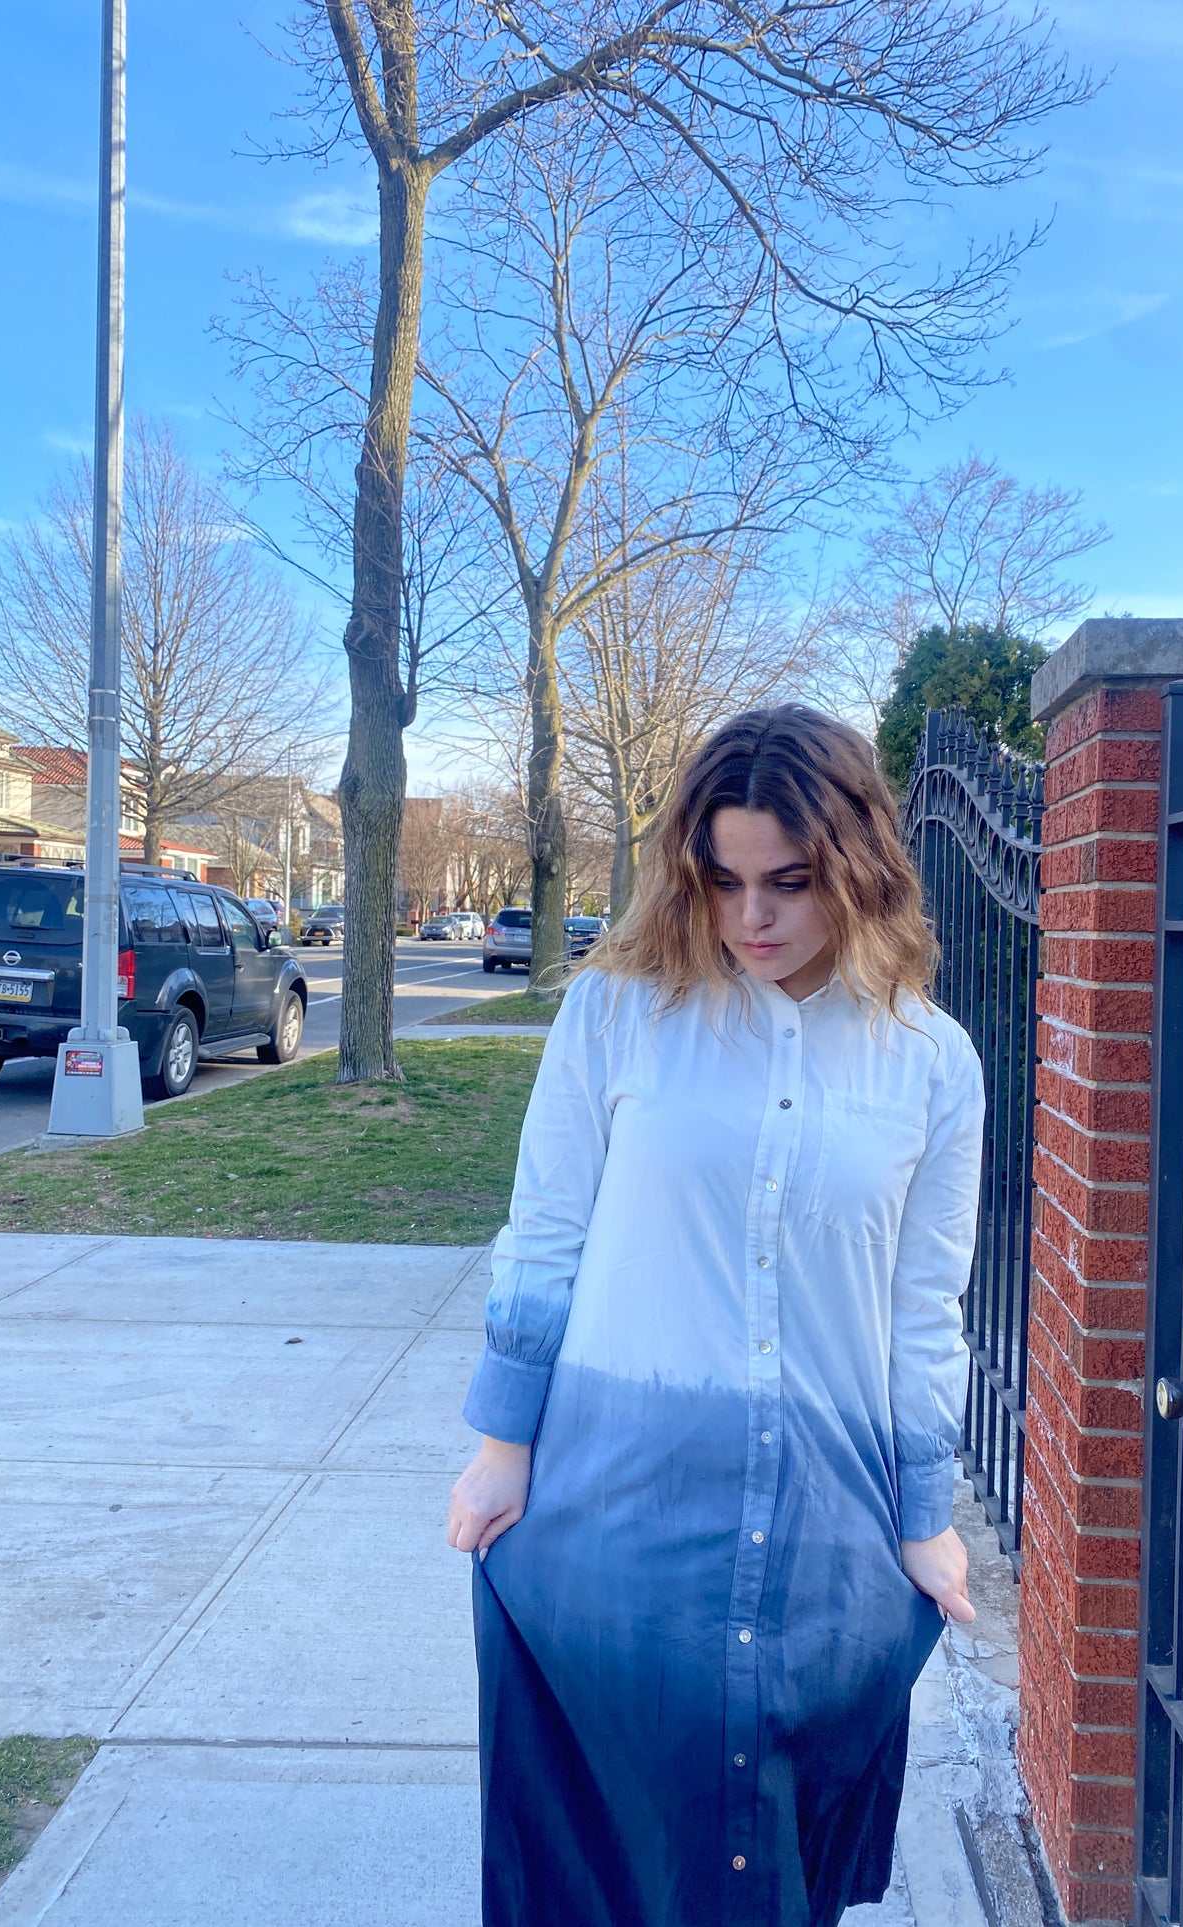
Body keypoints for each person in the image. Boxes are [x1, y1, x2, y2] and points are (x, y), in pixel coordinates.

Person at [447, 705, 985, 1927]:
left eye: (789, 883)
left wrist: (922, 1518)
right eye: (724, 879)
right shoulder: (616, 1013)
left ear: (857, 868)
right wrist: (500, 1444)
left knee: (773, 1871)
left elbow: (920, 1307)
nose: (752, 917)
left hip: (822, 1547)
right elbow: (543, 1234)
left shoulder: (932, 1063)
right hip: (615, 1524)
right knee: (603, 1866)